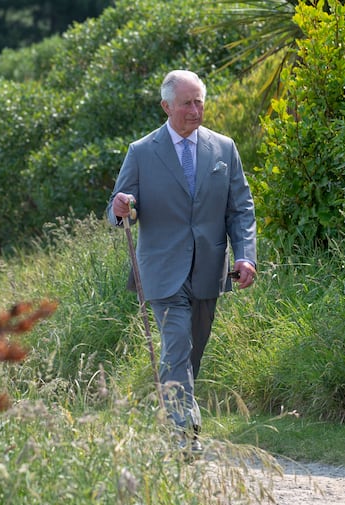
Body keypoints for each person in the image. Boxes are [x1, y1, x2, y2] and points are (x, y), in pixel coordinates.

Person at [106, 69, 257, 452]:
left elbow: (241, 209)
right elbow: (118, 208)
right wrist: (122, 206)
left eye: (199, 101)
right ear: (166, 106)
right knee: (176, 347)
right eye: (187, 103)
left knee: (193, 352)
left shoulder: (224, 149)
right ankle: (181, 435)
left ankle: (183, 413)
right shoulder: (141, 151)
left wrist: (245, 256)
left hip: (208, 269)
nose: (194, 110)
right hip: (161, 271)